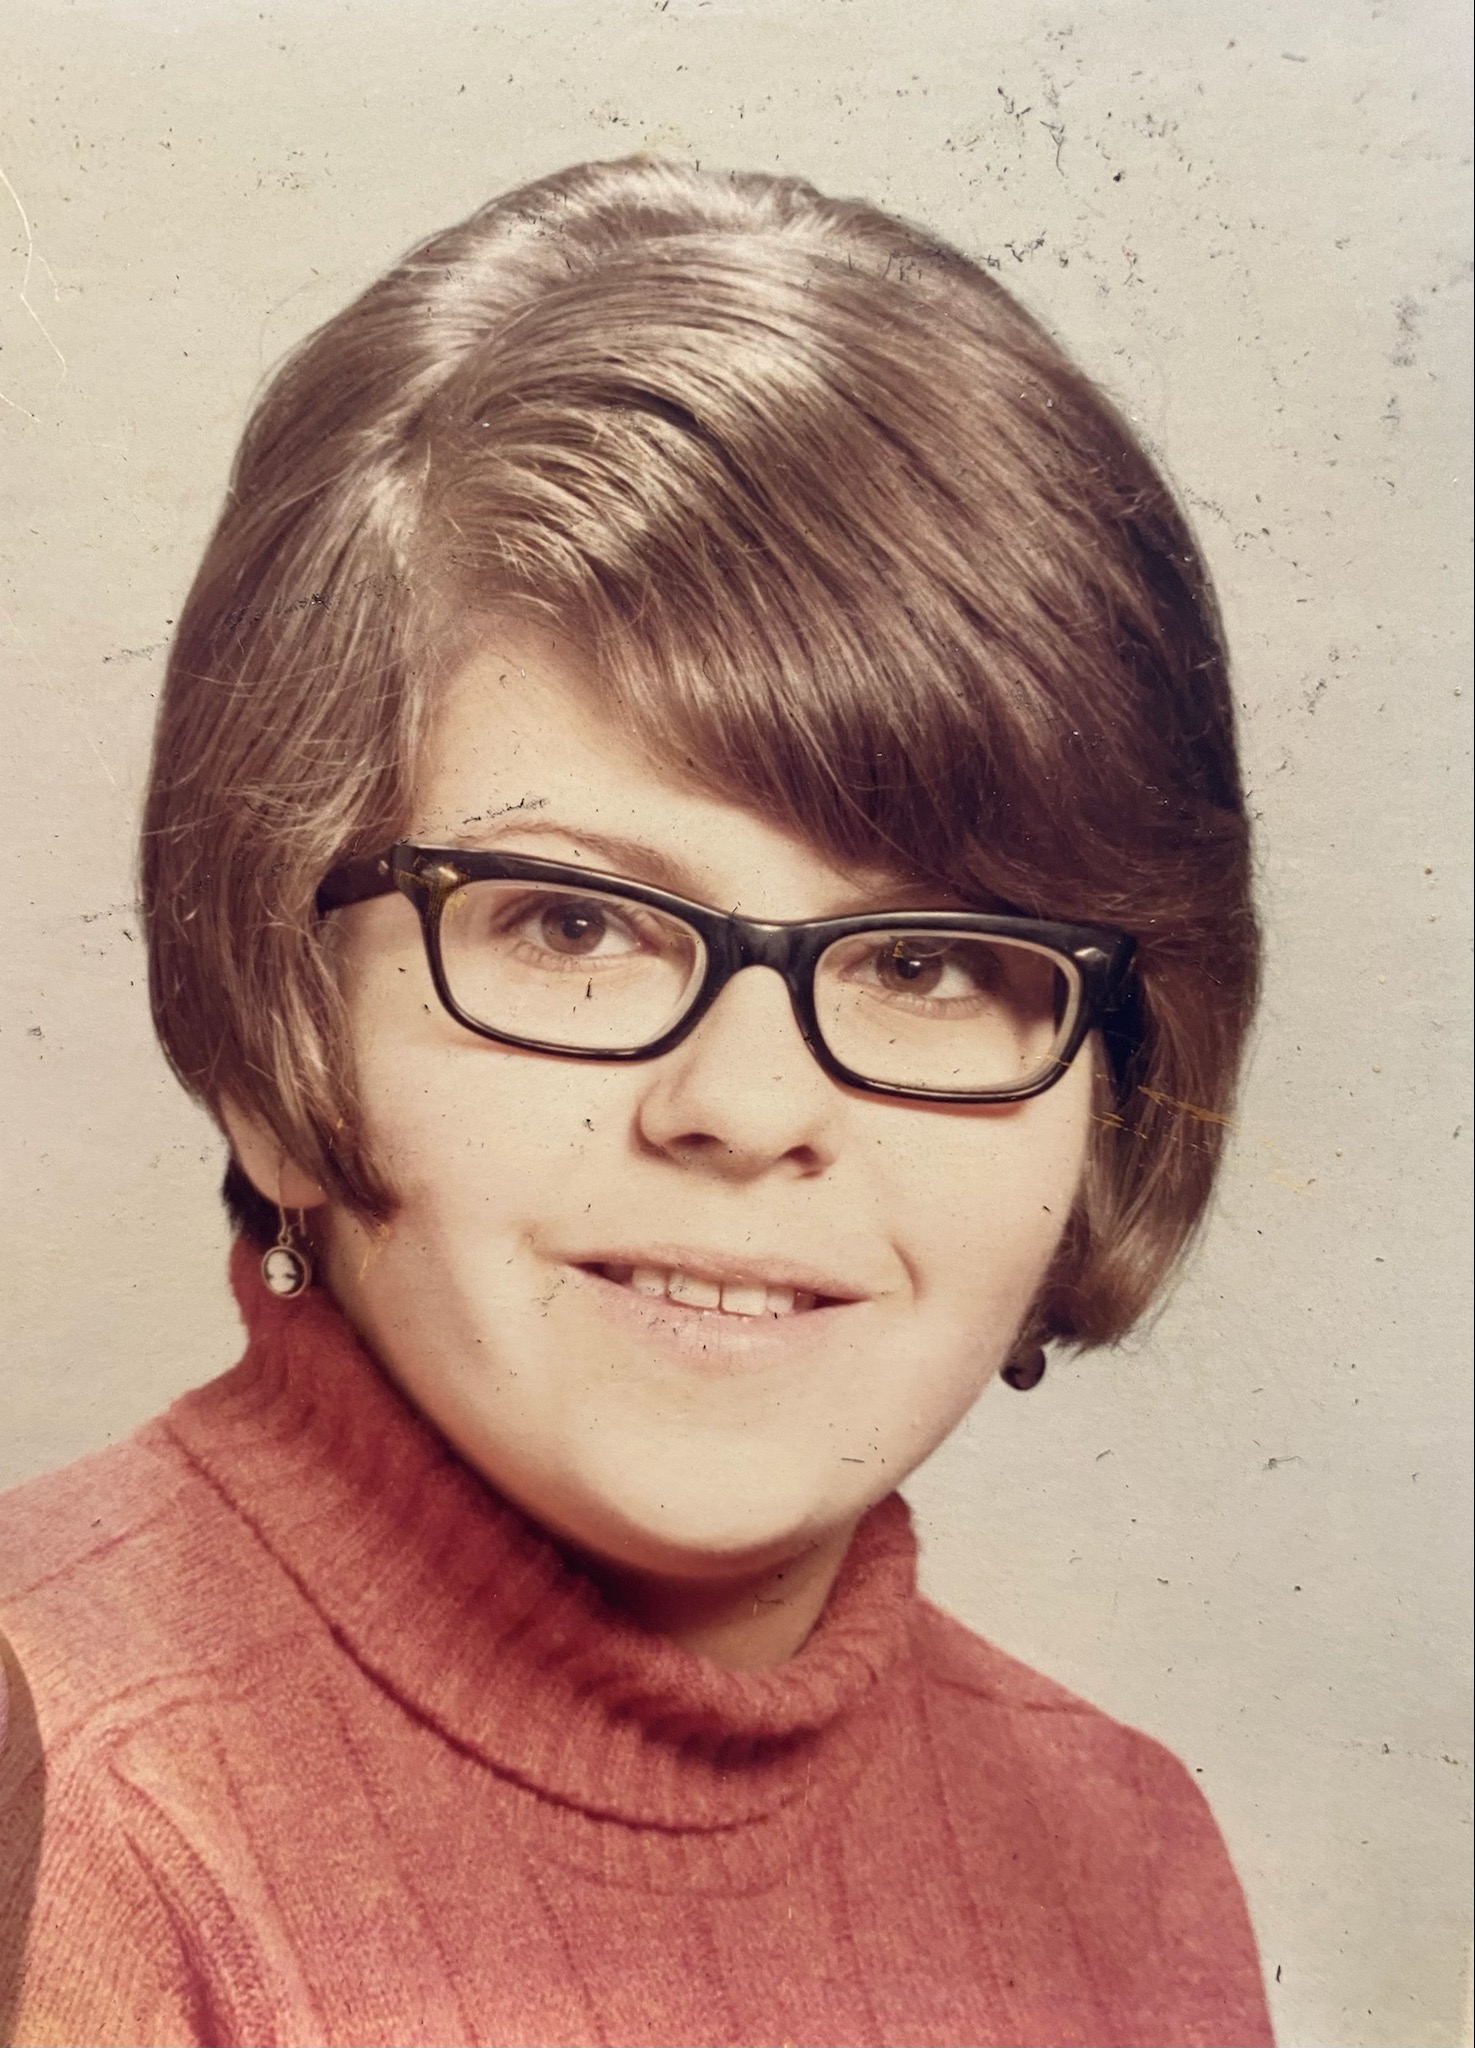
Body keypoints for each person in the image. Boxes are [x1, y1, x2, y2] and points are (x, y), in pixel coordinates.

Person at [0, 156, 1272, 2047]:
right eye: (574, 924)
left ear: (1114, 1080)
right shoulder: (66, 1797)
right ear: (276, 1010)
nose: (748, 1108)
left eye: (932, 962)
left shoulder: (1124, 1857)